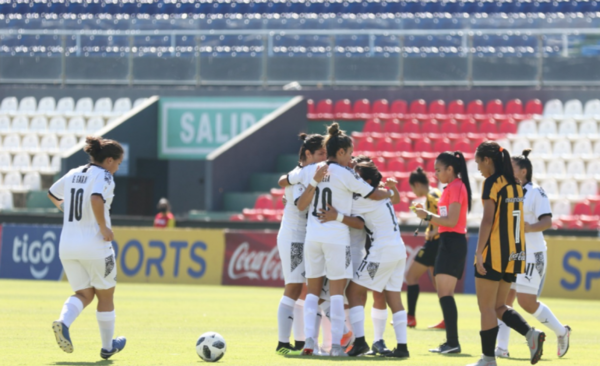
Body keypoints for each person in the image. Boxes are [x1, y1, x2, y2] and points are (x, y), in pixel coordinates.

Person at [280, 122, 393, 357]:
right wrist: (392, 193)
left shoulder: (312, 169)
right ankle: (338, 348)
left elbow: (286, 181)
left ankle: (309, 341)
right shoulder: (346, 174)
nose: (351, 158)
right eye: (349, 153)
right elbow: (374, 193)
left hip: (312, 237)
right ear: (341, 152)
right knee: (335, 295)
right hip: (336, 240)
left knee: (311, 293)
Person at [320, 161, 410, 358]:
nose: (354, 178)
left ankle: (360, 342)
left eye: (357, 176)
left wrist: (336, 216)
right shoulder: (379, 194)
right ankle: (402, 348)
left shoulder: (363, 198)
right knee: (394, 297)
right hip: (398, 250)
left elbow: (355, 220)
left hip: (382, 252)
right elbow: (394, 199)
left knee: (353, 291)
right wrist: (390, 191)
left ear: (367, 182)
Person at [47, 136, 126, 360]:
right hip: (94, 245)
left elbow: (52, 194)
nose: (118, 168)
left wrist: (67, 208)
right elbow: (95, 198)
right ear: (109, 160)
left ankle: (63, 322)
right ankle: (108, 347)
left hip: (67, 245)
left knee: (84, 293)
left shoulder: (74, 173)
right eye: (118, 163)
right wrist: (103, 228)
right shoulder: (105, 176)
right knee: (106, 295)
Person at [468, 142, 545, 366]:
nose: (478, 167)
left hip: (495, 252)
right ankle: (531, 335)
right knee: (499, 306)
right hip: (516, 253)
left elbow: (488, 220)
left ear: (488, 160)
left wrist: (479, 252)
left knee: (486, 308)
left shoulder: (492, 182)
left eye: (478, 162)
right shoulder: (516, 183)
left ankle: (488, 360)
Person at [495, 149, 570, 359]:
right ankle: (502, 348)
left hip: (532, 253)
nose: (507, 170)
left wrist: (529, 227)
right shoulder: (509, 191)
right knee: (502, 301)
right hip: (512, 252)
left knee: (526, 302)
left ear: (523, 170)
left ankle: (562, 332)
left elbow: (547, 221)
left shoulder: (536, 192)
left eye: (512, 167)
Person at [413, 151, 472, 354]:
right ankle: (451, 342)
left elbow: (451, 221)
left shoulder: (456, 187)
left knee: (445, 293)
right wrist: (429, 216)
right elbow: (446, 219)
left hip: (452, 242)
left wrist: (427, 216)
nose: (436, 174)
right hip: (448, 241)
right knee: (443, 293)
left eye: (439, 170)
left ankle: (453, 342)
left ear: (450, 169)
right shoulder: (451, 187)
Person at [275, 133, 326, 355]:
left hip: (306, 236)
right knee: (294, 287)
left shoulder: (302, 174)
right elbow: (300, 205)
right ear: (308, 154)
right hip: (295, 237)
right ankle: (282, 343)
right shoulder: (301, 174)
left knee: (308, 291)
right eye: (321, 153)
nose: (325, 157)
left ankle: (300, 341)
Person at [404, 166, 444, 329]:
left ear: (417, 184)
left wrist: (434, 230)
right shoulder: (435, 194)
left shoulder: (432, 196)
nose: (413, 191)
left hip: (435, 243)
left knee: (411, 277)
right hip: (438, 243)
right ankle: (447, 320)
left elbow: (445, 217)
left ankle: (411, 317)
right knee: (439, 285)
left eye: (412, 187)